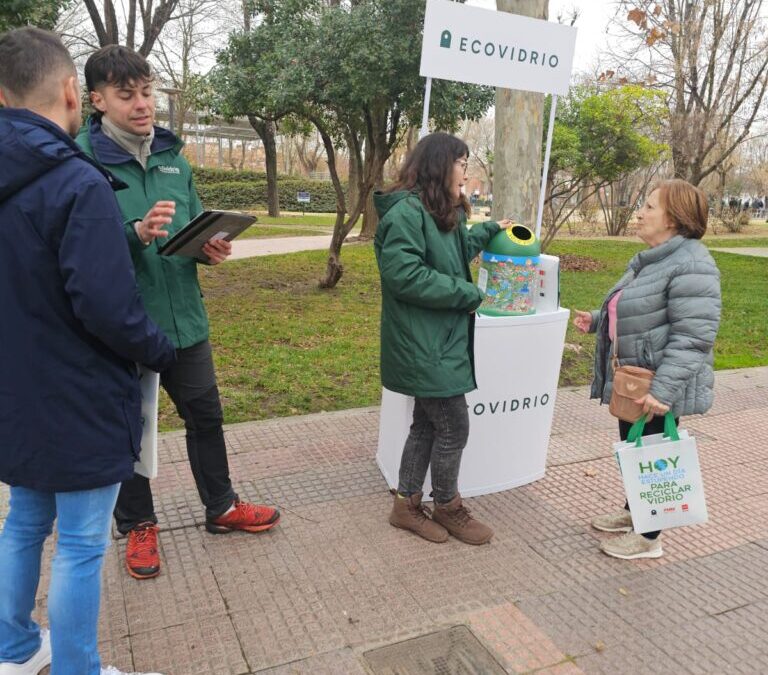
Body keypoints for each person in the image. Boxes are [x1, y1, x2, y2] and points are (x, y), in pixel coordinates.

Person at [0, 27, 175, 675]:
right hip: (77, 392)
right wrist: (160, 347)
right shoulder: (78, 182)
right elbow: (109, 308)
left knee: (22, 522)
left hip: (15, 388)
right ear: (76, 93)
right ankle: (77, 666)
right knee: (78, 543)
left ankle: (12, 647)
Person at [76, 45, 279, 581]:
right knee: (131, 431)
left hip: (185, 320)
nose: (143, 104)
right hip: (122, 327)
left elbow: (186, 232)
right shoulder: (81, 163)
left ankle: (222, 506)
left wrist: (207, 248)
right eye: (127, 95)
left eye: (147, 92)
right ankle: (138, 525)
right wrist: (133, 234)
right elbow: (76, 249)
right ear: (97, 100)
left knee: (206, 417)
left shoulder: (174, 159)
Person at [373, 132, 512, 545]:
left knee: (425, 425)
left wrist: (486, 231)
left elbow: (449, 253)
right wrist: (467, 294)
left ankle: (406, 505)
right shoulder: (406, 214)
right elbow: (405, 275)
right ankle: (447, 506)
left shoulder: (437, 210)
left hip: (436, 340)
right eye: (462, 163)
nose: (466, 172)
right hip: (422, 344)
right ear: (439, 165)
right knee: (453, 425)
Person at [573, 179, 721, 560]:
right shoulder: (653, 258)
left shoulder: (692, 263)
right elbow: (633, 308)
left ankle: (649, 537)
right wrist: (595, 320)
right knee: (634, 448)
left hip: (657, 383)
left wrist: (665, 391)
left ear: (675, 219)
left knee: (652, 453)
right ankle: (633, 510)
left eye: (650, 206)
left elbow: (694, 336)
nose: (640, 212)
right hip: (635, 381)